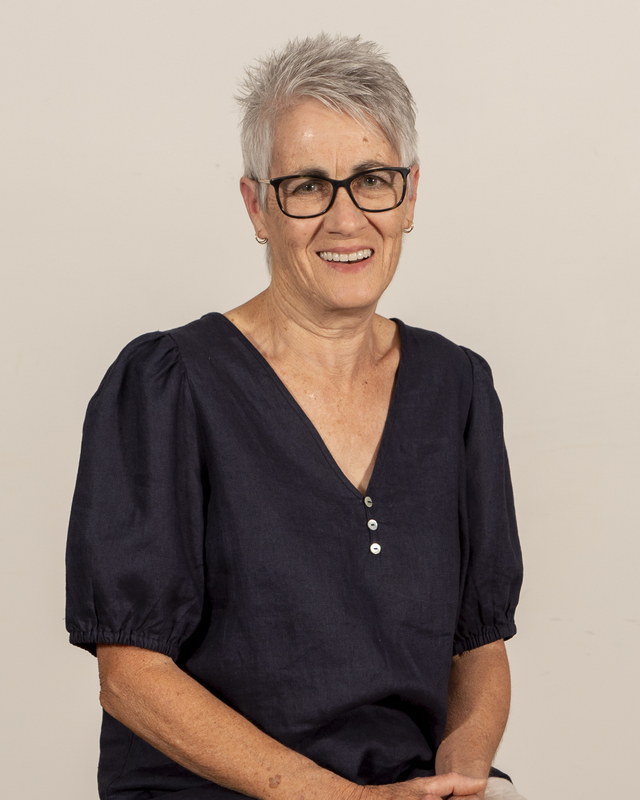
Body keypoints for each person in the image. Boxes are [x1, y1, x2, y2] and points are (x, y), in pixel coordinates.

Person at [66, 34, 525, 800]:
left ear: (410, 195)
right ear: (257, 206)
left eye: (372, 180)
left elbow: (478, 644)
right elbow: (130, 675)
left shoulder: (458, 388)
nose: (346, 219)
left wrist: (463, 770)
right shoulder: (168, 388)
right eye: (308, 186)